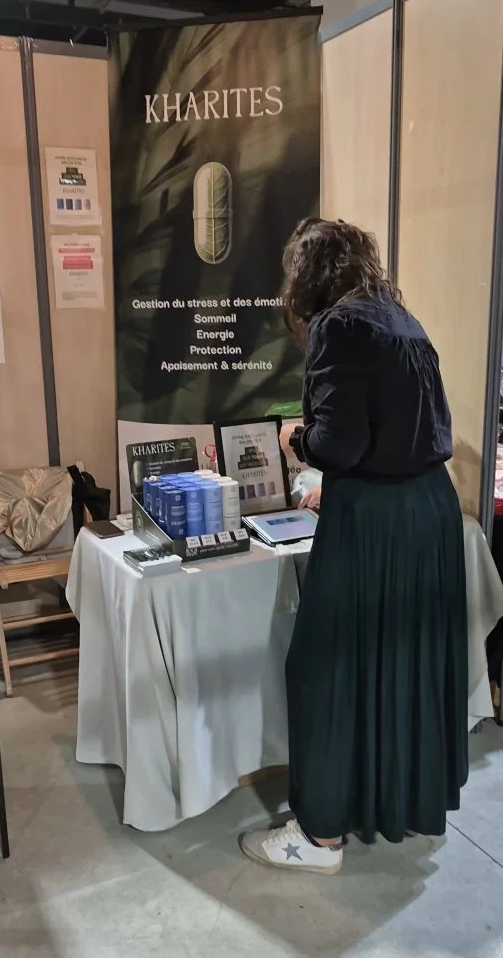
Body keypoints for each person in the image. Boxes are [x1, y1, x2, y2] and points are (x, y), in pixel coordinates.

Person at [239, 219, 468, 875]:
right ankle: (396, 801)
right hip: (429, 512)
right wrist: (340, 477)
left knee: (325, 666)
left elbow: (338, 443)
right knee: (402, 660)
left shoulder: (338, 325)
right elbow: (400, 428)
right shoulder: (401, 320)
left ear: (307, 274)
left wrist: (296, 440)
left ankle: (320, 837)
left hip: (374, 523)